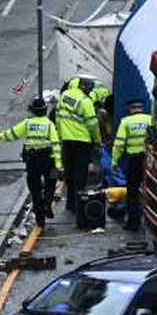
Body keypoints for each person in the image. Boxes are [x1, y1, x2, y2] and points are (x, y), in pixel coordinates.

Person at [0, 99, 61, 228]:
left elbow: (13, 134)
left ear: (33, 111)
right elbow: (56, 144)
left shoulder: (28, 123)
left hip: (32, 161)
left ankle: (40, 218)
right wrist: (58, 164)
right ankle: (47, 203)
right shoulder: (49, 124)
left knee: (35, 188)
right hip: (49, 160)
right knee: (51, 184)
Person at [56, 78, 101, 220]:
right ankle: (78, 206)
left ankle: (69, 203)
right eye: (90, 88)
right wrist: (97, 141)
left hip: (67, 140)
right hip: (82, 142)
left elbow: (58, 116)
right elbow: (93, 124)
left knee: (69, 173)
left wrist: (60, 134)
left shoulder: (65, 96)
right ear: (84, 86)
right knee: (80, 175)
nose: (90, 91)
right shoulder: (85, 101)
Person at [112, 99, 152, 231]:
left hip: (133, 160)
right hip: (148, 160)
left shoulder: (126, 122)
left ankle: (133, 223)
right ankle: (150, 220)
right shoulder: (150, 120)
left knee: (133, 192)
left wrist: (114, 161)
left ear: (130, 109)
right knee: (150, 191)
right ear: (141, 108)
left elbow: (119, 143)